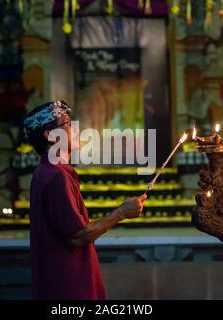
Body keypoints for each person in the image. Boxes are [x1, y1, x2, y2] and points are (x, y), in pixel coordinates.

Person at [24, 100, 147, 300]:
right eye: (67, 124)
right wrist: (121, 213)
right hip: (68, 289)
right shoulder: (56, 176)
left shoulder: (49, 172)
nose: (75, 130)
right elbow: (77, 236)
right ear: (50, 135)